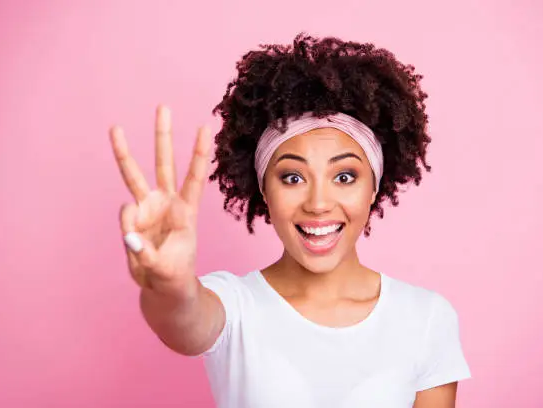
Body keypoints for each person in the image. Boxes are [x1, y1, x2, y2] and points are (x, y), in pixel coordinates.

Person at [109, 33, 471, 408]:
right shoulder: (235, 306)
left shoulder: (425, 318)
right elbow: (183, 319)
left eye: (344, 176)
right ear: (264, 190)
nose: (317, 204)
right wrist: (169, 286)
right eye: (292, 177)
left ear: (373, 187)